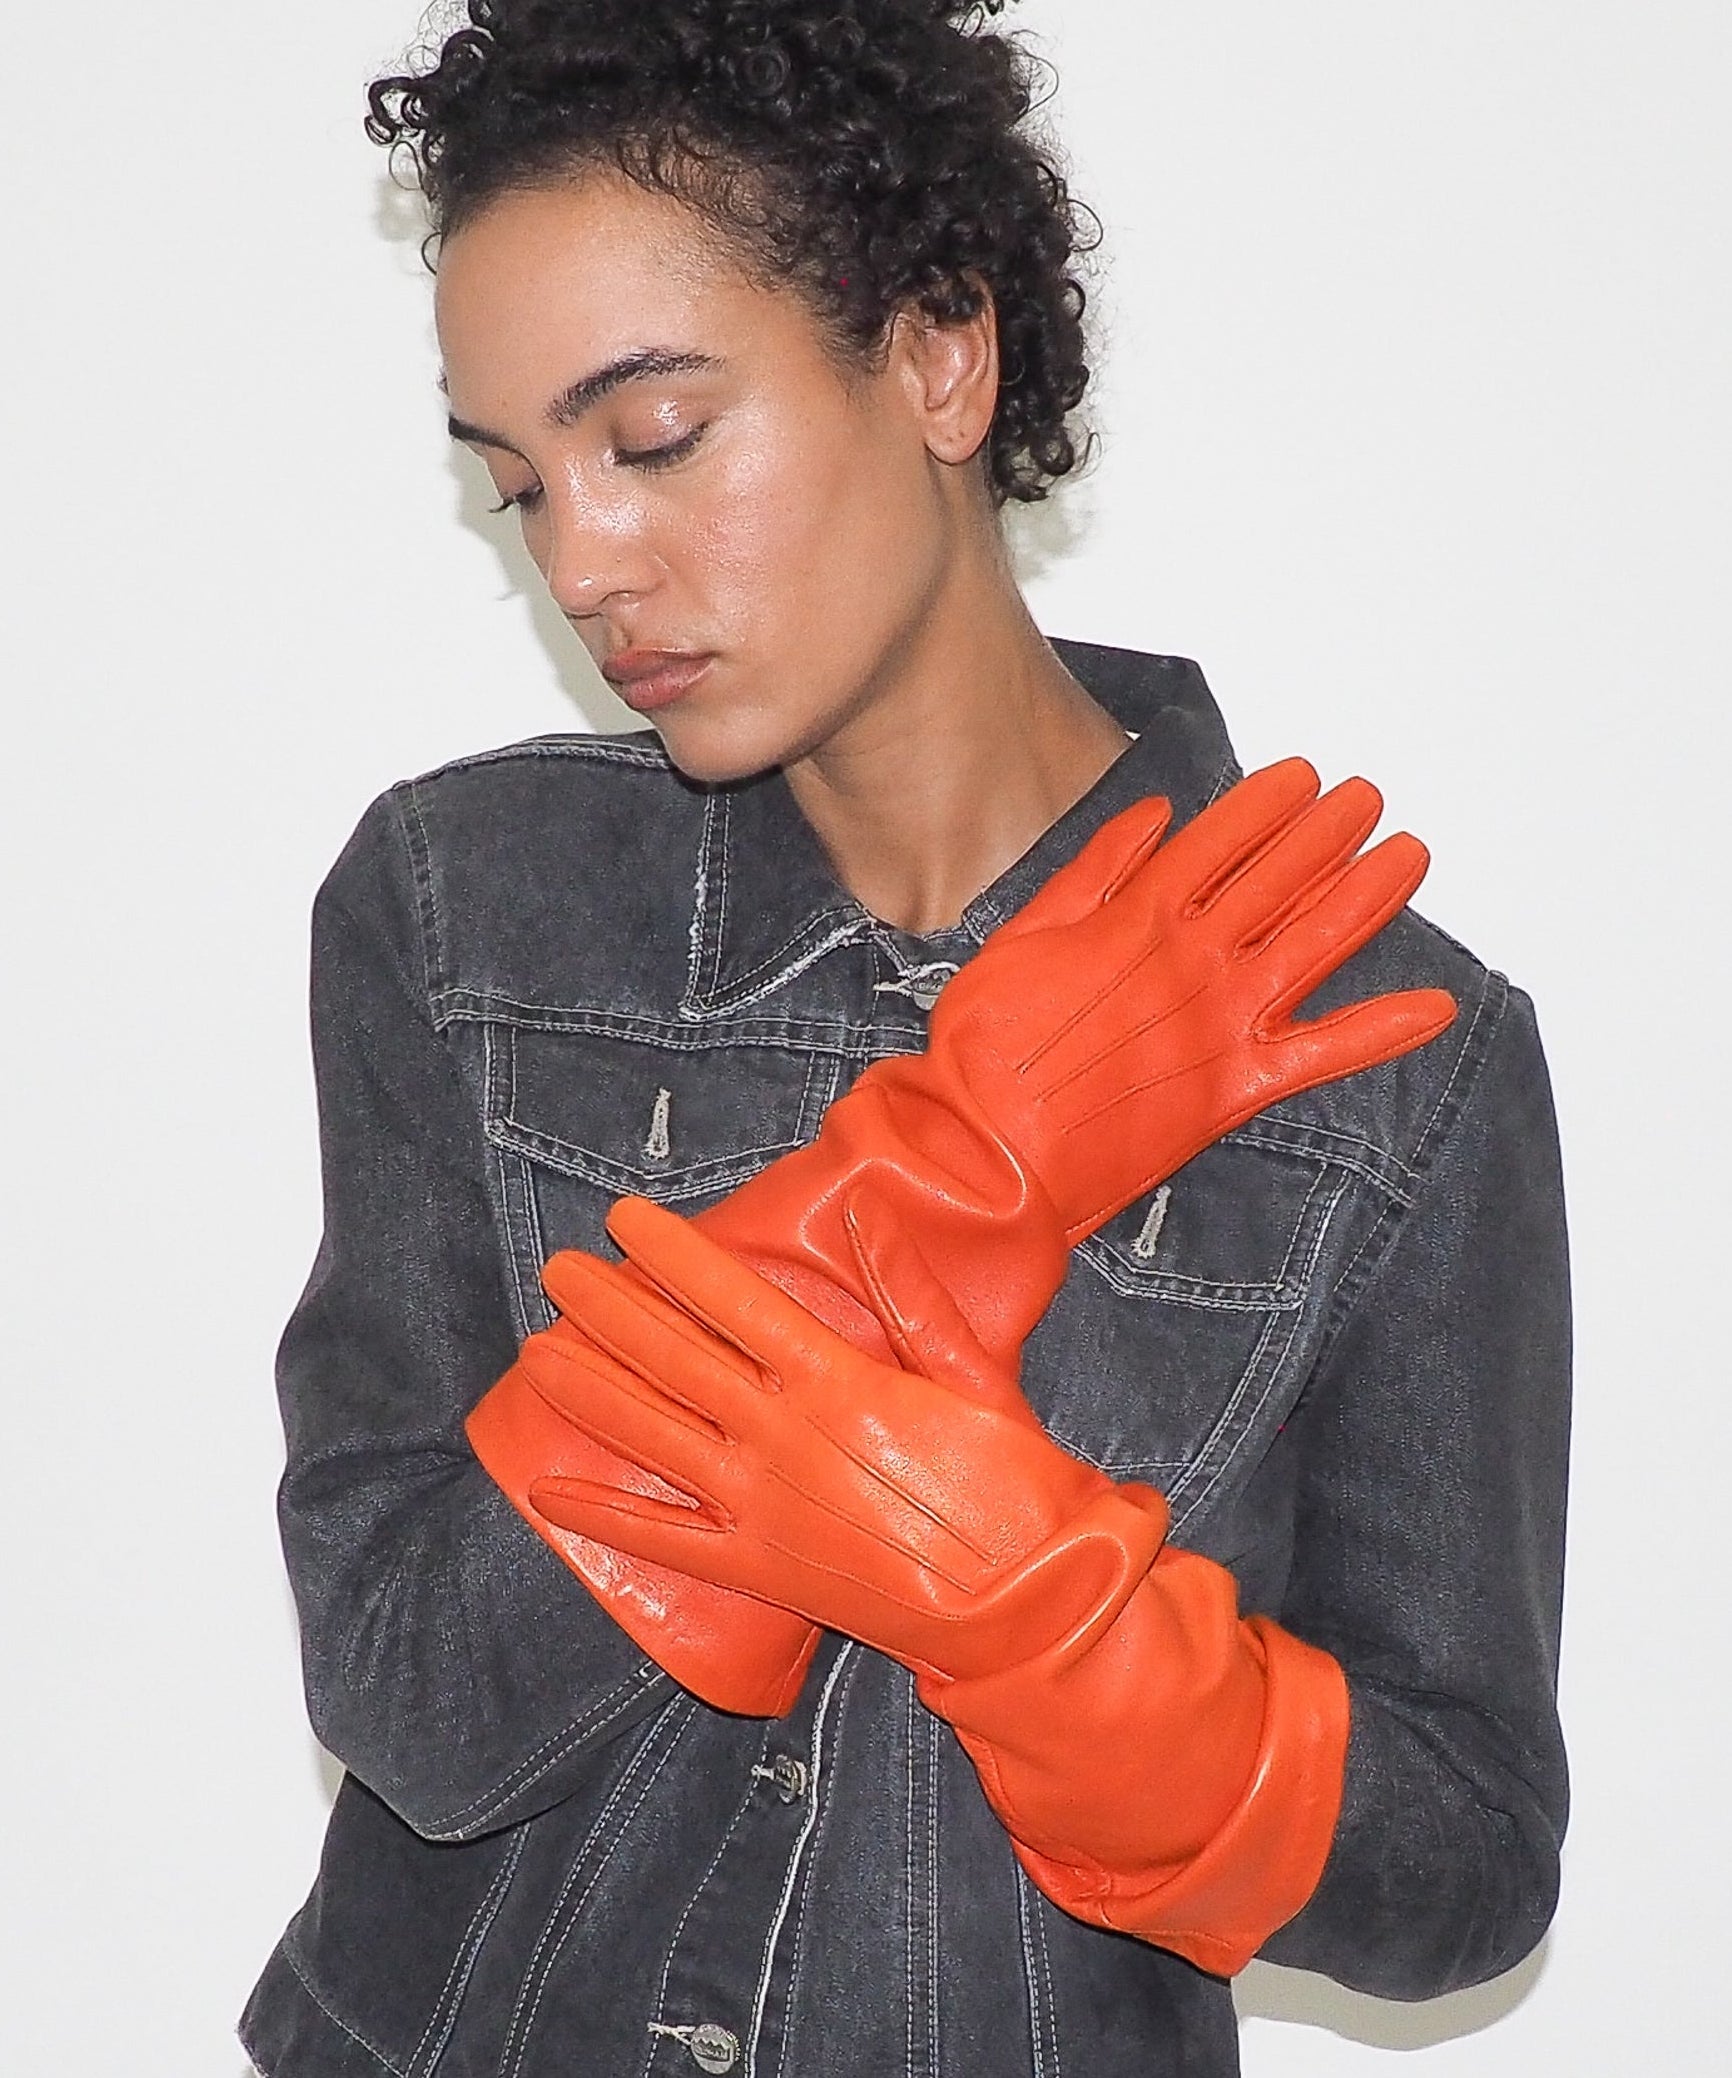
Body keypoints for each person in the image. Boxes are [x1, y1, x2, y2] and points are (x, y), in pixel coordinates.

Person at [241, 4, 1570, 2074]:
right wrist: (943, 1177)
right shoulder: (457, 910)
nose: (584, 558)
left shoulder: (1393, 1053)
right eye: (519, 483)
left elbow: (1462, 1868)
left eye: (654, 436)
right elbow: (411, 1693)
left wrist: (1047, 1621)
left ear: (938, 357)